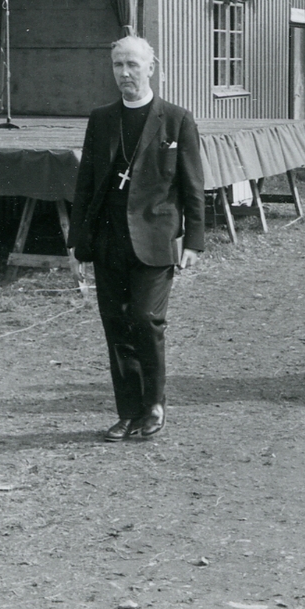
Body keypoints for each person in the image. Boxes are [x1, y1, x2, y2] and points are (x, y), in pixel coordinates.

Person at [68, 36, 205, 442]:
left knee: (145, 319)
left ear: (151, 67)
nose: (124, 73)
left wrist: (194, 241)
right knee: (115, 325)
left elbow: (193, 185)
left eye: (131, 64)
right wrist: (77, 241)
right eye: (117, 65)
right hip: (109, 241)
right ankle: (128, 412)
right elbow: (86, 183)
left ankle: (154, 405)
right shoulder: (102, 119)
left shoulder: (177, 120)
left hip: (155, 240)